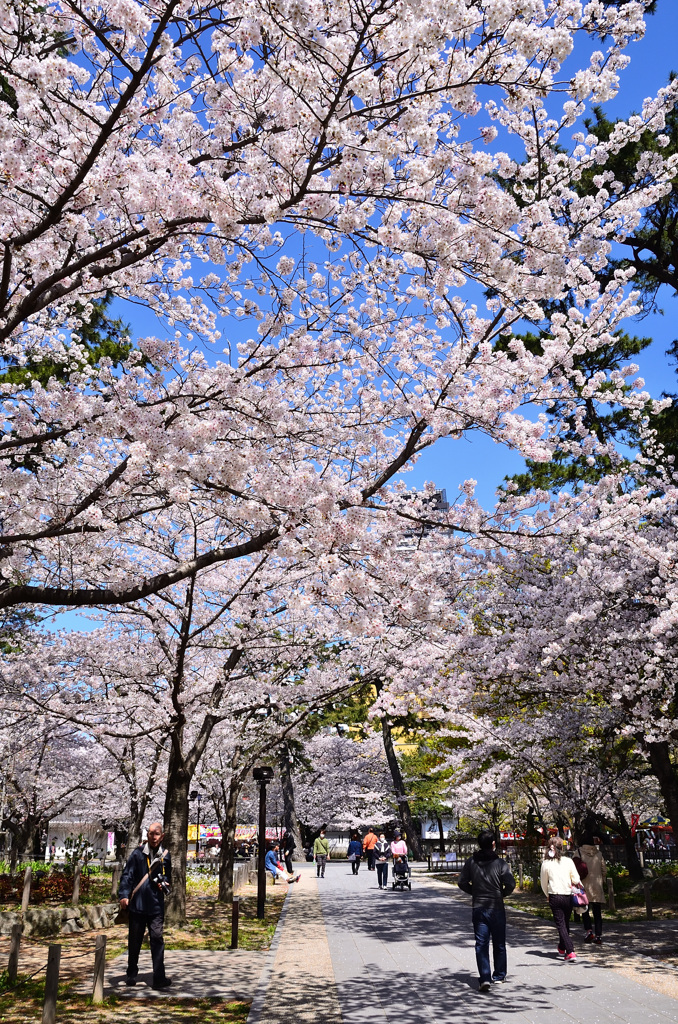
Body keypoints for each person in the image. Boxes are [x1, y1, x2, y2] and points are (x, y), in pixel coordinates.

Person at [458, 830, 515, 991]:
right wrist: (502, 893)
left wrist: (474, 891)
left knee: (481, 943)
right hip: (496, 906)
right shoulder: (500, 864)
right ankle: (499, 975)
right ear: (493, 844)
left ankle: (484, 977)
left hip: (479, 907)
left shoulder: (471, 862)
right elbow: (510, 884)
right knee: (499, 943)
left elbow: (462, 882)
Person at [118, 821, 172, 990]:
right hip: (138, 906)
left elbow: (168, 877)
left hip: (156, 906)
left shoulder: (166, 855)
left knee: (157, 938)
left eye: (157, 834)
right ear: (147, 835)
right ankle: (131, 974)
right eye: (150, 833)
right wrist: (124, 895)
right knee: (135, 941)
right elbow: (127, 875)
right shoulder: (137, 854)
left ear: (162, 836)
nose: (153, 837)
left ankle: (159, 977)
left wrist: (165, 885)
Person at [540, 836, 581, 963]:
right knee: (565, 923)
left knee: (561, 924)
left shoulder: (546, 863)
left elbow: (543, 882)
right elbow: (576, 879)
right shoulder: (568, 861)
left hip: (555, 895)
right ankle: (562, 946)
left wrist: (547, 894)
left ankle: (570, 950)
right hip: (567, 895)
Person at [576, 831, 606, 945]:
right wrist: (601, 880)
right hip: (597, 886)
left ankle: (589, 931)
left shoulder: (578, 852)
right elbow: (604, 869)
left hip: (583, 885)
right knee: (598, 913)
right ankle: (598, 936)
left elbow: (574, 869)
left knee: (585, 910)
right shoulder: (599, 854)